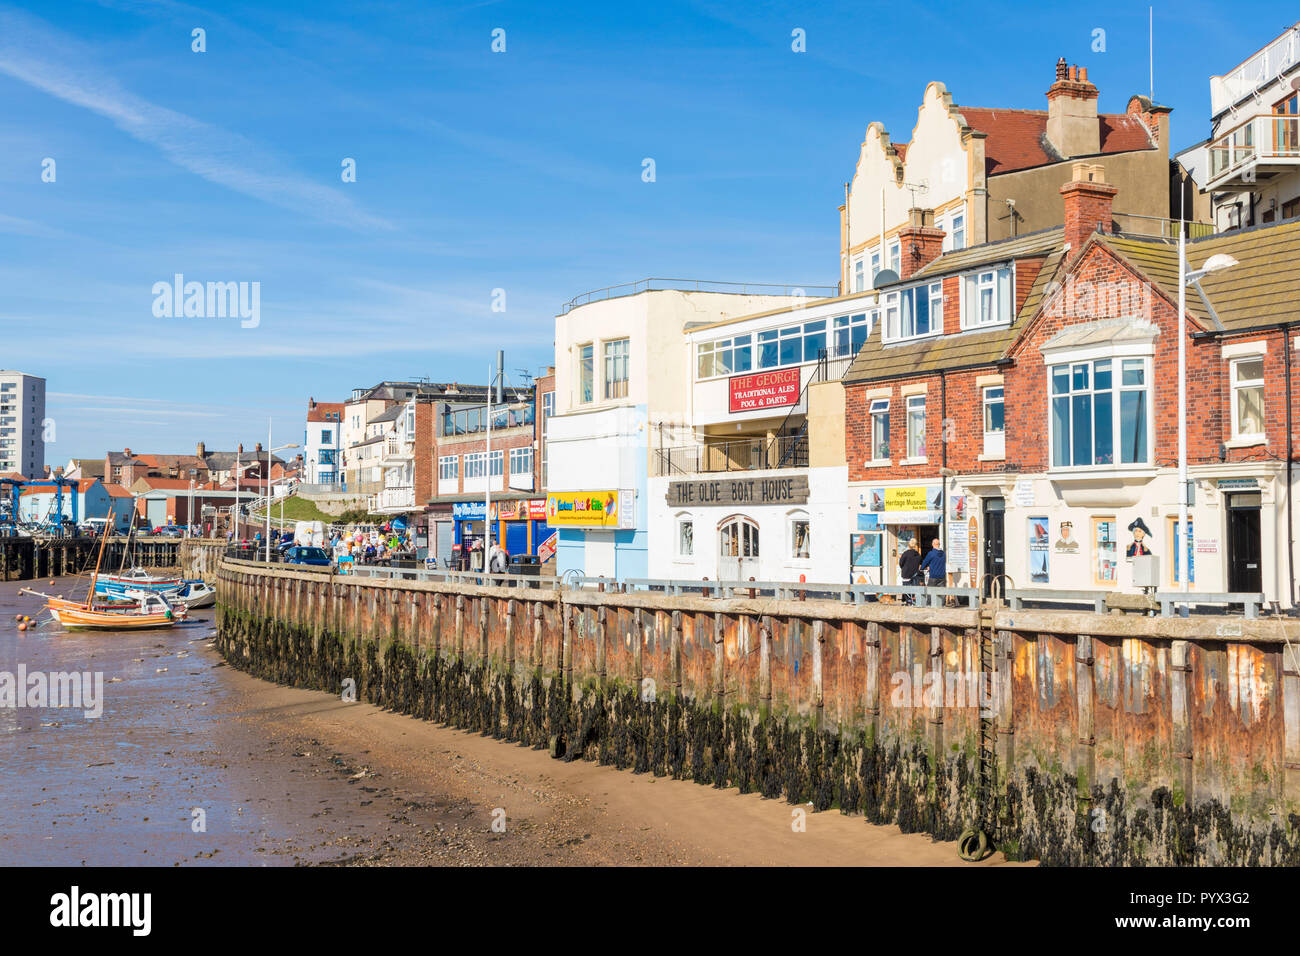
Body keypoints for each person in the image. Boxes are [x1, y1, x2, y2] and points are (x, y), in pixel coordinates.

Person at [919, 537, 948, 605]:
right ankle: (942, 605)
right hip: (942, 576)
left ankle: (929, 605)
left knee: (930, 592)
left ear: (933, 544)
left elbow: (924, 563)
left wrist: (922, 568)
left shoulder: (931, 553)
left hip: (933, 576)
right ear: (939, 544)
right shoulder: (943, 554)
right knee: (942, 593)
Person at [898, 538, 922, 605]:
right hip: (915, 574)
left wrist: (903, 568)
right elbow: (920, 563)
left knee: (906, 588)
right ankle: (914, 601)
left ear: (909, 545)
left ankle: (908, 601)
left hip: (906, 574)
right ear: (915, 545)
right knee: (914, 588)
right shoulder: (918, 554)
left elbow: (901, 563)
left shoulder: (905, 553)